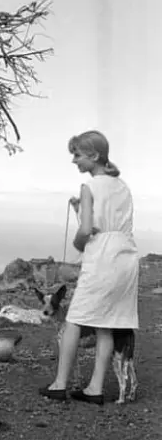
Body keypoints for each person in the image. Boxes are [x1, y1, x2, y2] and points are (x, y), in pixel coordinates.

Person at [39, 130, 140, 405]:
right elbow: (108, 223)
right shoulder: (123, 187)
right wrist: (82, 214)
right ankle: (95, 388)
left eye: (77, 155)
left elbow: (87, 232)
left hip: (103, 257)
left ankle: (60, 384)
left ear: (93, 156)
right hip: (126, 256)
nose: (74, 161)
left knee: (74, 320)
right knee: (106, 323)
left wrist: (78, 240)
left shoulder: (89, 187)